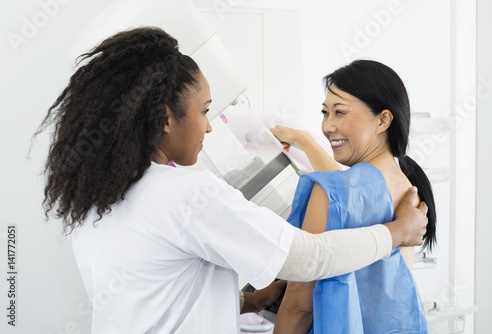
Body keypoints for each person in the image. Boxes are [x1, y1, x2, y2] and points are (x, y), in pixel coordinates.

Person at [36, 28, 428, 333]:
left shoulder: (94, 199)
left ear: (384, 119)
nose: (209, 126)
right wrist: (398, 231)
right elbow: (309, 259)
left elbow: (155, 294)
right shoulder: (185, 194)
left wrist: (251, 301)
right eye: (204, 111)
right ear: (165, 118)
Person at [271, 60, 435, 334]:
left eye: (340, 112)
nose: (328, 126)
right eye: (325, 113)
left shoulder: (329, 190)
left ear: (383, 119)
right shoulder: (410, 191)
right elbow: (350, 191)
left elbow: (300, 308)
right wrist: (306, 140)